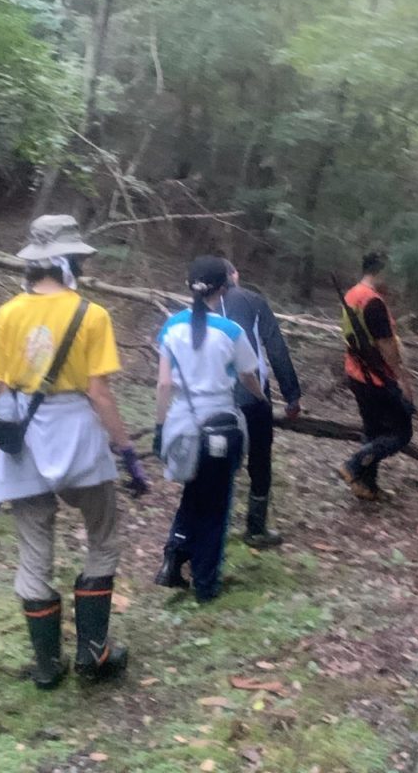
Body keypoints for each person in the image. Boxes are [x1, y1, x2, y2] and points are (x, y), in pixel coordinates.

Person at [0, 215, 149, 690]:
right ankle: (93, 653)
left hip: (25, 440)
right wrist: (127, 453)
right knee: (102, 538)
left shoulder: (8, 313)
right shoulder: (91, 315)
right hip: (77, 438)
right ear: (70, 260)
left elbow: (3, 386)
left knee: (34, 553)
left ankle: (47, 664)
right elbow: (99, 392)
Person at [152, 256, 268, 602]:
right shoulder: (231, 331)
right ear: (223, 288)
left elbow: (162, 385)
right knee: (216, 504)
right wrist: (262, 400)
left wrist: (159, 428)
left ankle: (174, 555)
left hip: (182, 426)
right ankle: (206, 583)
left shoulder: (170, 327)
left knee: (195, 492)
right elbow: (248, 375)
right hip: (219, 426)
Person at [221, 261, 301, 548]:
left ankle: (210, 526)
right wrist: (292, 395)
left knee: (217, 459)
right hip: (252, 394)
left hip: (211, 396)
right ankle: (255, 529)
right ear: (235, 276)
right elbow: (276, 348)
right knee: (259, 458)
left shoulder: (200, 307)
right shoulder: (253, 300)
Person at [336, 250, 415, 502]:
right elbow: (387, 345)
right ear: (380, 271)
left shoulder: (351, 295)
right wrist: (402, 379)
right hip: (376, 377)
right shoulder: (373, 301)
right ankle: (353, 465)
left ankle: (367, 486)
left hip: (355, 372)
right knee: (401, 433)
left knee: (373, 431)